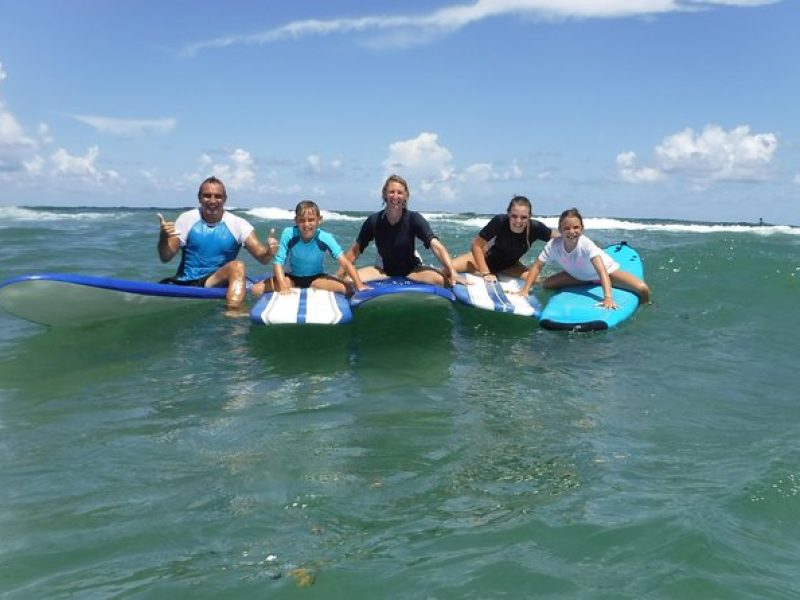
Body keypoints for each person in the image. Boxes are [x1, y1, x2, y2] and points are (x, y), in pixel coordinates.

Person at [157, 176, 278, 312]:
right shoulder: (187, 219)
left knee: (280, 282)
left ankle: (232, 309)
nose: (213, 201)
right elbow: (165, 257)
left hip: (217, 282)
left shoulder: (238, 224)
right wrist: (163, 236)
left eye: (218, 196)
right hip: (188, 282)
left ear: (225, 199)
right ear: (199, 198)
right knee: (238, 266)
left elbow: (263, 258)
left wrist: (270, 251)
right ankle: (234, 313)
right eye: (207, 196)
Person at [338, 174, 463, 286]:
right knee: (349, 280)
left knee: (443, 282)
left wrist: (453, 272)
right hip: (382, 271)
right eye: (391, 192)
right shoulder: (374, 221)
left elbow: (436, 246)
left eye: (400, 192)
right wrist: (339, 275)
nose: (395, 196)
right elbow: (355, 251)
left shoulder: (414, 219)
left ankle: (446, 273)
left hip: (412, 271)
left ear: (406, 196)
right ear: (384, 195)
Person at [516, 207, 650, 308]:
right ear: (560, 230)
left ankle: (646, 305)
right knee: (547, 284)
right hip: (579, 275)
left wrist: (607, 297)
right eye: (566, 228)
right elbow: (537, 266)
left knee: (642, 288)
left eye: (576, 227)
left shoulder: (586, 245)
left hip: (608, 273)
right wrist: (525, 290)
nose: (572, 231)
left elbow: (601, 270)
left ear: (582, 229)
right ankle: (587, 282)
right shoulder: (553, 245)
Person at [252, 200, 368, 296]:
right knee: (255, 289)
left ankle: (316, 287)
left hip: (316, 279)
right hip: (291, 279)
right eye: (302, 220)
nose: (306, 224)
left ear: (319, 220)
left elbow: (345, 263)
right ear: (296, 220)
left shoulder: (325, 237)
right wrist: (283, 287)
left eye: (311, 220)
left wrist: (360, 285)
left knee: (348, 289)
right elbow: (278, 262)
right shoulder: (289, 233)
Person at [451, 195, 558, 283]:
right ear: (508, 214)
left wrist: (573, 235)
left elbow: (561, 236)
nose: (518, 221)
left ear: (530, 216)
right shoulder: (500, 222)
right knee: (448, 270)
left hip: (510, 266)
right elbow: (476, 245)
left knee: (539, 280)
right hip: (481, 261)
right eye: (514, 216)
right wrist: (485, 272)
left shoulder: (536, 228)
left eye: (524, 217)